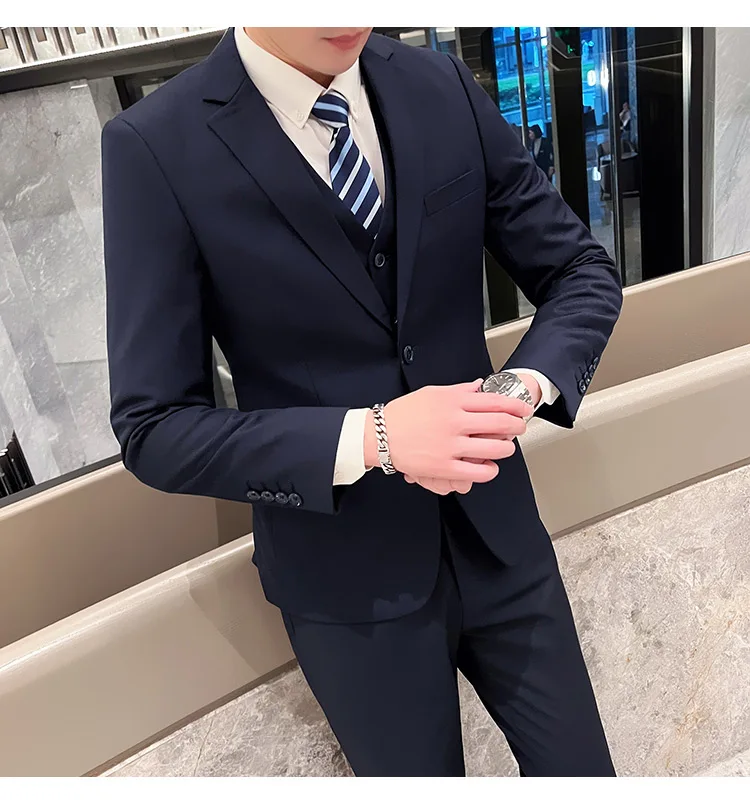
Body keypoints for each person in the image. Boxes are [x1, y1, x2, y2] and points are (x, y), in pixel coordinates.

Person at [102, 27, 623, 776]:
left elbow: (579, 269)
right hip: (348, 589)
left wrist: (516, 392)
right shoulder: (154, 146)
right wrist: (375, 437)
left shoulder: (439, 84)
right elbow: (153, 427)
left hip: (503, 539)